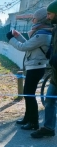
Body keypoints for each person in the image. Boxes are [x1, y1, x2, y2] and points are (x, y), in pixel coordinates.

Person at [6, 7, 52, 130]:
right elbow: (30, 45)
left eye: (34, 18)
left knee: (29, 95)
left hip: (36, 68)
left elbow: (24, 47)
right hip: (35, 67)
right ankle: (28, 118)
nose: (32, 20)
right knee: (28, 94)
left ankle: (33, 122)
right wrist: (19, 36)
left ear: (40, 19)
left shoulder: (42, 34)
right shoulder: (41, 32)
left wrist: (11, 39)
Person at [31, 1, 57, 138]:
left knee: (51, 100)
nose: (48, 17)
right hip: (55, 75)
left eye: (50, 14)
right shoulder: (55, 28)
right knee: (50, 100)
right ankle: (49, 127)